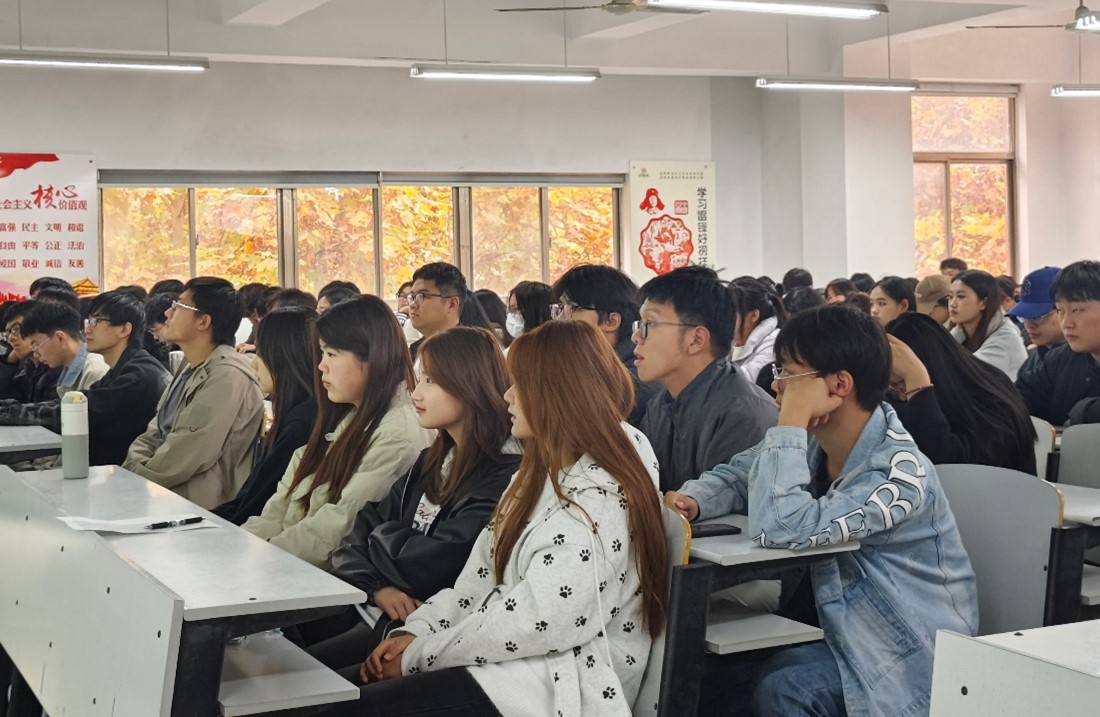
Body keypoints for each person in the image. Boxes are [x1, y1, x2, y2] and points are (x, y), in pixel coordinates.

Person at [320, 320, 668, 717]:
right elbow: (478, 578)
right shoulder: (537, 468)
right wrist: (416, 631)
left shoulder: (599, 490)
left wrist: (419, 655)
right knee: (323, 696)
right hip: (504, 662)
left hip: (559, 685)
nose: (507, 395)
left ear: (557, 392)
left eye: (519, 384)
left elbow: (539, 621)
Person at [666, 304, 977, 717]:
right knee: (702, 674)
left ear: (839, 384)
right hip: (835, 627)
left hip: (899, 649)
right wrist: (694, 499)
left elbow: (781, 527)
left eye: (787, 374)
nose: (775, 385)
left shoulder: (896, 474)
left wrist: (792, 420)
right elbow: (742, 474)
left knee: (786, 690)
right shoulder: (818, 439)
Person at [302, 327, 521, 670]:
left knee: (296, 678)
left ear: (469, 384)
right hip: (371, 608)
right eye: (419, 379)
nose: (416, 393)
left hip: (414, 631)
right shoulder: (432, 459)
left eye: (430, 381)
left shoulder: (503, 475)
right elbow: (357, 532)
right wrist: (377, 587)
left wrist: (380, 538)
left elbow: (433, 565)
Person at [243, 296, 432, 568]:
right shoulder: (352, 415)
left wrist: (257, 557)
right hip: (288, 565)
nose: (321, 365)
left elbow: (337, 527)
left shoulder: (398, 433)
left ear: (372, 356)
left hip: (320, 577)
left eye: (331, 354)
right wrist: (242, 547)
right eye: (322, 354)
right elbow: (278, 509)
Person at [124, 278, 265, 509]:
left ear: (203, 321)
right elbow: (155, 431)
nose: (167, 313)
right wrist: (132, 468)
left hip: (198, 507)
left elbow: (185, 456)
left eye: (178, 306)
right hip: (164, 493)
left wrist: (133, 477)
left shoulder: (227, 376)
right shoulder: (191, 365)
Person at [635, 266, 777, 492]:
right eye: (639, 324)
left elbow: (731, 512)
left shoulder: (745, 416)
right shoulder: (659, 406)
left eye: (649, 325)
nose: (636, 337)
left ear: (696, 340)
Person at [886, 312, 1037, 474]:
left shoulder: (991, 401)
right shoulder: (898, 397)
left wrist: (918, 385)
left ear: (932, 367)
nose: (902, 395)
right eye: (894, 387)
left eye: (903, 384)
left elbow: (950, 472)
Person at [213, 308, 318, 525]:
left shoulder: (302, 424)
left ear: (285, 357)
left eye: (260, 353)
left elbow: (255, 507)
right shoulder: (299, 414)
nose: (253, 363)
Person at [551, 264, 657, 427]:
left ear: (611, 321)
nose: (559, 320)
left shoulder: (631, 384)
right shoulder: (594, 367)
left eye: (572, 308)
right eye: (560, 308)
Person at [1017, 261, 1100, 426]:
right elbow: (1022, 395)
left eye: (1077, 310)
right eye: (1060, 310)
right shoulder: (1060, 358)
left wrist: (1085, 412)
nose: (1067, 323)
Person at [949, 270, 1027, 379]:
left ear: (984, 303)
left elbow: (964, 376)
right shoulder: (961, 332)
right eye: (950, 297)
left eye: (961, 296)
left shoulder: (1005, 338)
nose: (952, 304)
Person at [1010, 267, 1065, 384]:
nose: (1028, 325)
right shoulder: (1033, 360)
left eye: (1037, 316)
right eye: (1024, 317)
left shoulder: (1086, 362)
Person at [0, 300, 61, 403]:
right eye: (8, 333)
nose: (10, 338)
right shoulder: (28, 368)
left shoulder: (58, 366)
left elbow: (51, 410)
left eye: (16, 329)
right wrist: (10, 361)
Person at [728, 277, 785, 385]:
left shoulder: (774, 342)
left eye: (731, 312)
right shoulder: (732, 340)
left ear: (754, 315)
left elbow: (746, 381)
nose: (724, 317)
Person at [408, 262, 466, 360]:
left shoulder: (472, 352)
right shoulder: (413, 351)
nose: (413, 305)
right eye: (413, 297)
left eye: (423, 296)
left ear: (452, 304)